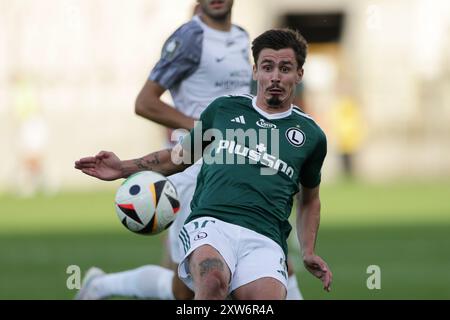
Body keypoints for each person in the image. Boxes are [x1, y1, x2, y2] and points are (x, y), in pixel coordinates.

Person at [75, 28, 332, 300]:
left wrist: (308, 251)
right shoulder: (223, 110)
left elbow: (310, 199)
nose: (276, 77)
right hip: (213, 224)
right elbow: (177, 159)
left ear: (299, 75)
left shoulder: (311, 136)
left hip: (266, 236)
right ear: (255, 71)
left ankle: (103, 286)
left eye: (285, 68)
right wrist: (122, 168)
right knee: (212, 283)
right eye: (267, 67)